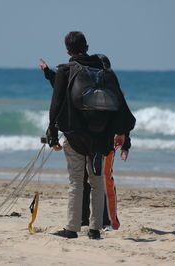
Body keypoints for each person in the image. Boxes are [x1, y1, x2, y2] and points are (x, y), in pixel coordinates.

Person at [39, 31, 135, 239]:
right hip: (101, 137)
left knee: (76, 181)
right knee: (97, 180)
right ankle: (95, 230)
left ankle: (72, 229)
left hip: (75, 135)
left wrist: (52, 131)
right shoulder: (105, 71)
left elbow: (56, 102)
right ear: (88, 47)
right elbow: (120, 105)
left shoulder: (66, 69)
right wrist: (123, 134)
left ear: (67, 51)